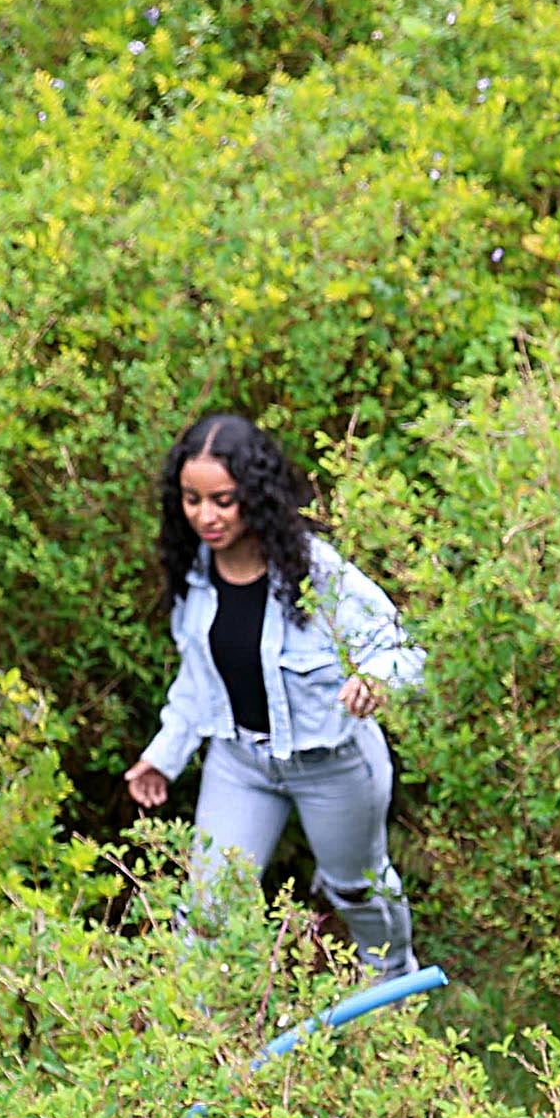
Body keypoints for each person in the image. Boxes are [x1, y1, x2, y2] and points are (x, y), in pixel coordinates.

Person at [125, 412, 426, 972]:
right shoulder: (194, 574)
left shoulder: (315, 571)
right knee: (209, 910)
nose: (206, 516)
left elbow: (402, 648)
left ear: (255, 494)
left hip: (334, 765)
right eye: (192, 500)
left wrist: (375, 678)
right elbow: (198, 680)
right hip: (240, 763)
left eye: (223, 500)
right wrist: (163, 756)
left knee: (356, 890)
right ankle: (206, 1020)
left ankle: (393, 992)